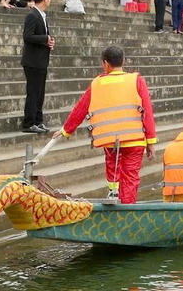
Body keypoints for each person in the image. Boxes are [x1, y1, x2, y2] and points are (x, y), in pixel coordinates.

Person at [57, 45, 158, 204]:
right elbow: (148, 112)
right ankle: (127, 209)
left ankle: (114, 195)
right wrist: (151, 142)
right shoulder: (136, 80)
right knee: (130, 177)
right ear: (123, 61)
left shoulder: (97, 83)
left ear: (105, 64)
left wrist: (66, 130)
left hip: (109, 139)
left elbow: (81, 109)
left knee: (113, 171)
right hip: (134, 140)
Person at [20, 0, 55, 133]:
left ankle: (38, 120)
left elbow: (41, 37)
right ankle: (29, 122)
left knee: (40, 92)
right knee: (33, 92)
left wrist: (49, 42)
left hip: (41, 60)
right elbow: (27, 36)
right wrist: (45, 38)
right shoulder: (32, 15)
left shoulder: (42, 15)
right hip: (32, 61)